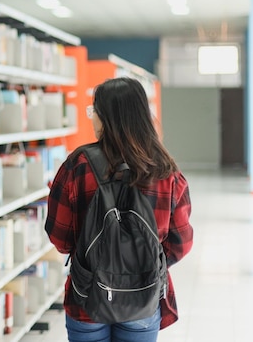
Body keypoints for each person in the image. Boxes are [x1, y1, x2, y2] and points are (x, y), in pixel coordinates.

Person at [45, 77, 194, 342]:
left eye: (94, 112)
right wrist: (141, 262)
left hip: (87, 297)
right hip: (143, 296)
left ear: (104, 118)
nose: (92, 119)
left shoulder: (78, 165)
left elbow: (60, 239)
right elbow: (180, 242)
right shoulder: (165, 170)